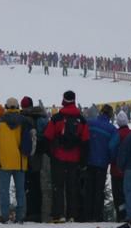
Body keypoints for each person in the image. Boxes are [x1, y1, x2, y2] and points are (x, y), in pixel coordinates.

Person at [44, 90, 89, 223]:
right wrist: (83, 160)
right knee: (72, 187)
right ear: (75, 100)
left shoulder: (57, 118)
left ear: (63, 100)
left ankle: (59, 214)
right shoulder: (81, 119)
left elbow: (47, 137)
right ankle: (72, 215)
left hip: (59, 157)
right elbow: (86, 141)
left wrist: (51, 154)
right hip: (74, 158)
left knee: (58, 186)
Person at [0, 98, 35, 224]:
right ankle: (20, 216)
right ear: (17, 107)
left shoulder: (0, 122)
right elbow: (31, 140)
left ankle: (4, 216)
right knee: (20, 191)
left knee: (4, 191)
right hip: (21, 161)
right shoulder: (25, 121)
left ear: (6, 106)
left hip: (4, 161)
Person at [84, 104, 119, 222]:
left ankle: (86, 215)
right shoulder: (112, 129)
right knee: (99, 190)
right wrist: (110, 159)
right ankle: (97, 216)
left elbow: (84, 139)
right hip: (102, 164)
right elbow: (112, 147)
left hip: (89, 161)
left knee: (89, 189)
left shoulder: (90, 123)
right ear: (110, 115)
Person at [20, 96, 49, 222]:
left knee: (28, 184)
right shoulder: (42, 117)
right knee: (37, 183)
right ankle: (39, 211)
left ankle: (30, 212)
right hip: (40, 154)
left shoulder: (23, 119)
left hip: (27, 154)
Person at [111, 111, 131, 222]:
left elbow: (111, 149)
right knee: (129, 193)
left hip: (117, 170)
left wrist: (113, 161)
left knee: (118, 195)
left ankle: (121, 215)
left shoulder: (116, 134)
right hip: (130, 170)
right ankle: (130, 215)